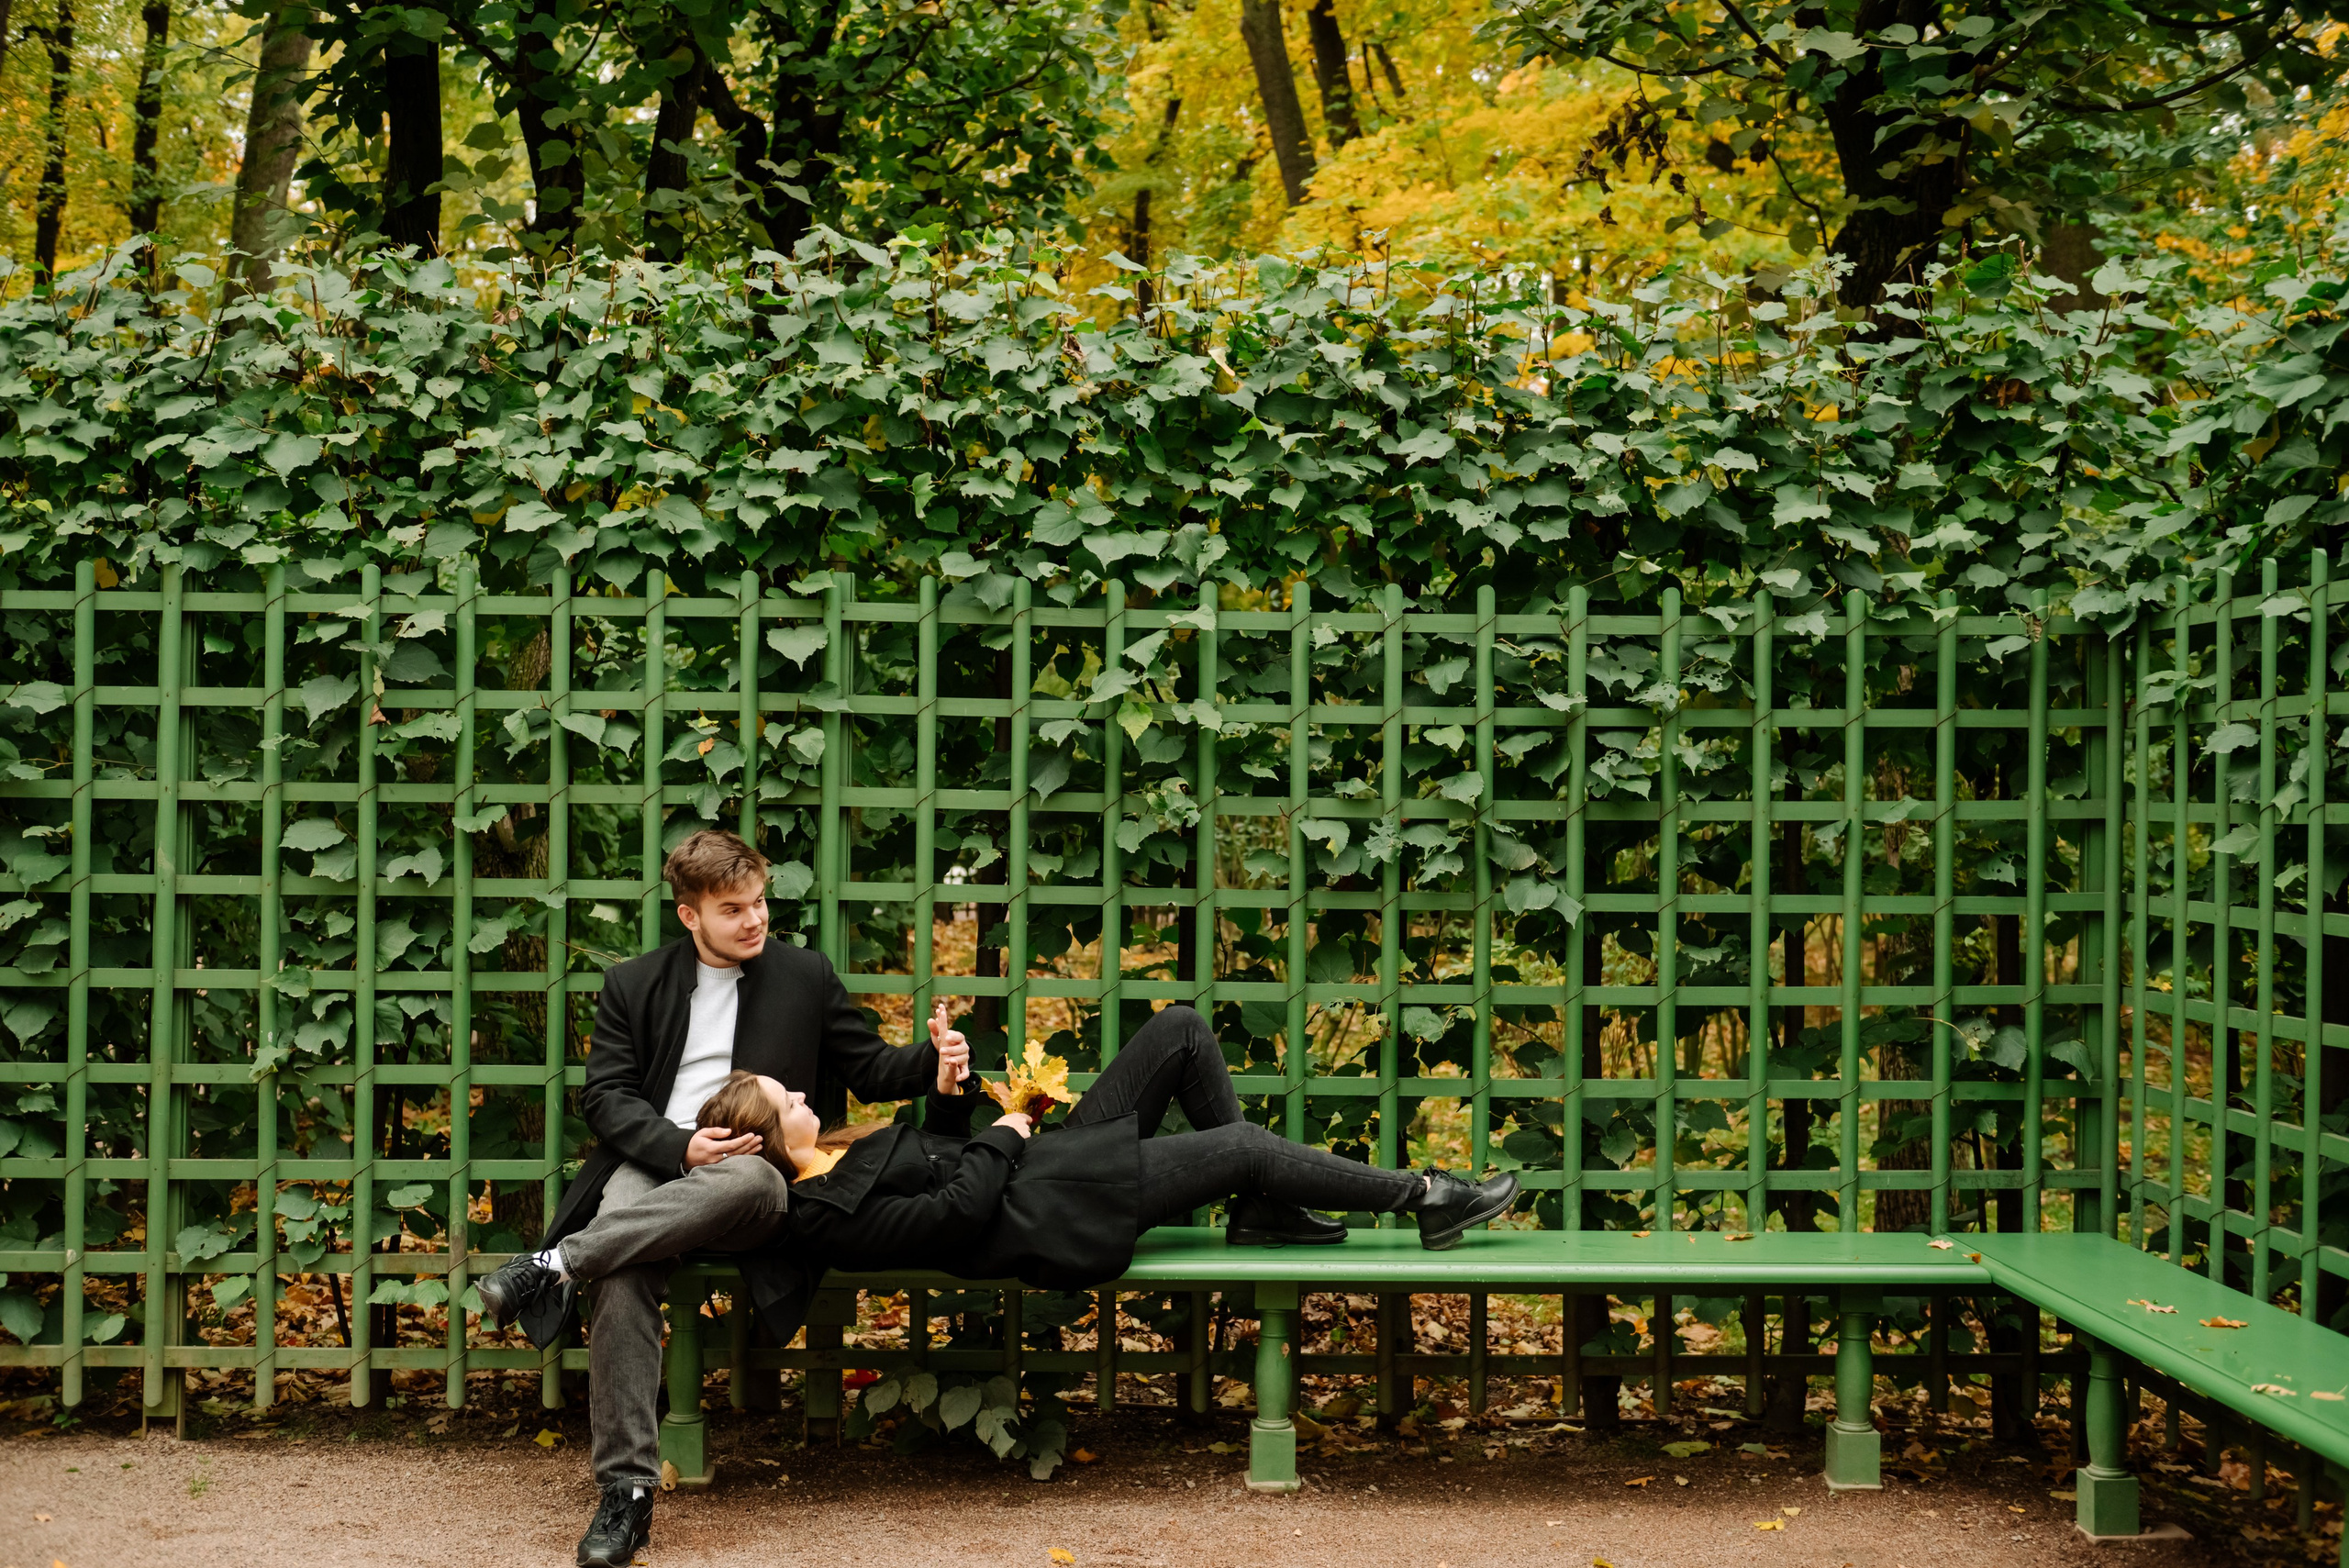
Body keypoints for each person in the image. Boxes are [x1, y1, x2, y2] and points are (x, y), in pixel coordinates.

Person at [473, 828, 952, 1568]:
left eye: (759, 901)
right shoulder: (635, 983)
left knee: (753, 1175)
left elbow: (871, 1067)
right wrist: (680, 1146)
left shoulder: (803, 975)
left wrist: (936, 1061)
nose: (755, 919)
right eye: (733, 909)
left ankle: (551, 1264)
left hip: (752, 1182)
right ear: (689, 914)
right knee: (621, 1268)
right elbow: (607, 1097)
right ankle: (627, 1492)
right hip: (658, 1162)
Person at [696, 1002, 1520, 1349]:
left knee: (1182, 1030)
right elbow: (954, 1215)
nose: (801, 1094)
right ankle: (1426, 1195)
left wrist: (948, 1091)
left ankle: (1264, 1211)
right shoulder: (824, 1212)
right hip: (1059, 1207)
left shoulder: (836, 1151)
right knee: (1243, 1144)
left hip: (1048, 1165)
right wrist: (1006, 1131)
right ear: (766, 1140)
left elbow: (938, 1155)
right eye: (785, 1099)